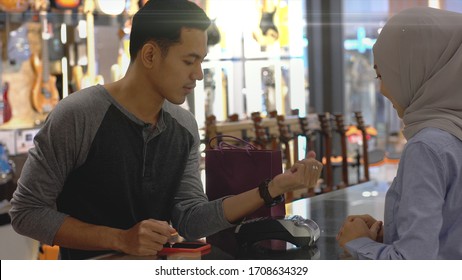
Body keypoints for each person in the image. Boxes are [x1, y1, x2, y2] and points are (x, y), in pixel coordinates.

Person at [9, 0, 323, 260]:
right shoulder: (79, 115)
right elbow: (26, 212)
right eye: (189, 61)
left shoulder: (183, 126)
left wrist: (274, 187)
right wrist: (121, 239)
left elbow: (191, 217)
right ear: (149, 55)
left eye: (201, 61)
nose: (198, 74)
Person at [336, 7, 462, 259]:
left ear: (419, 70)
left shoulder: (427, 147)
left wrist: (358, 242)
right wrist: (392, 234)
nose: (383, 89)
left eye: (383, 74)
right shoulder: (453, 136)